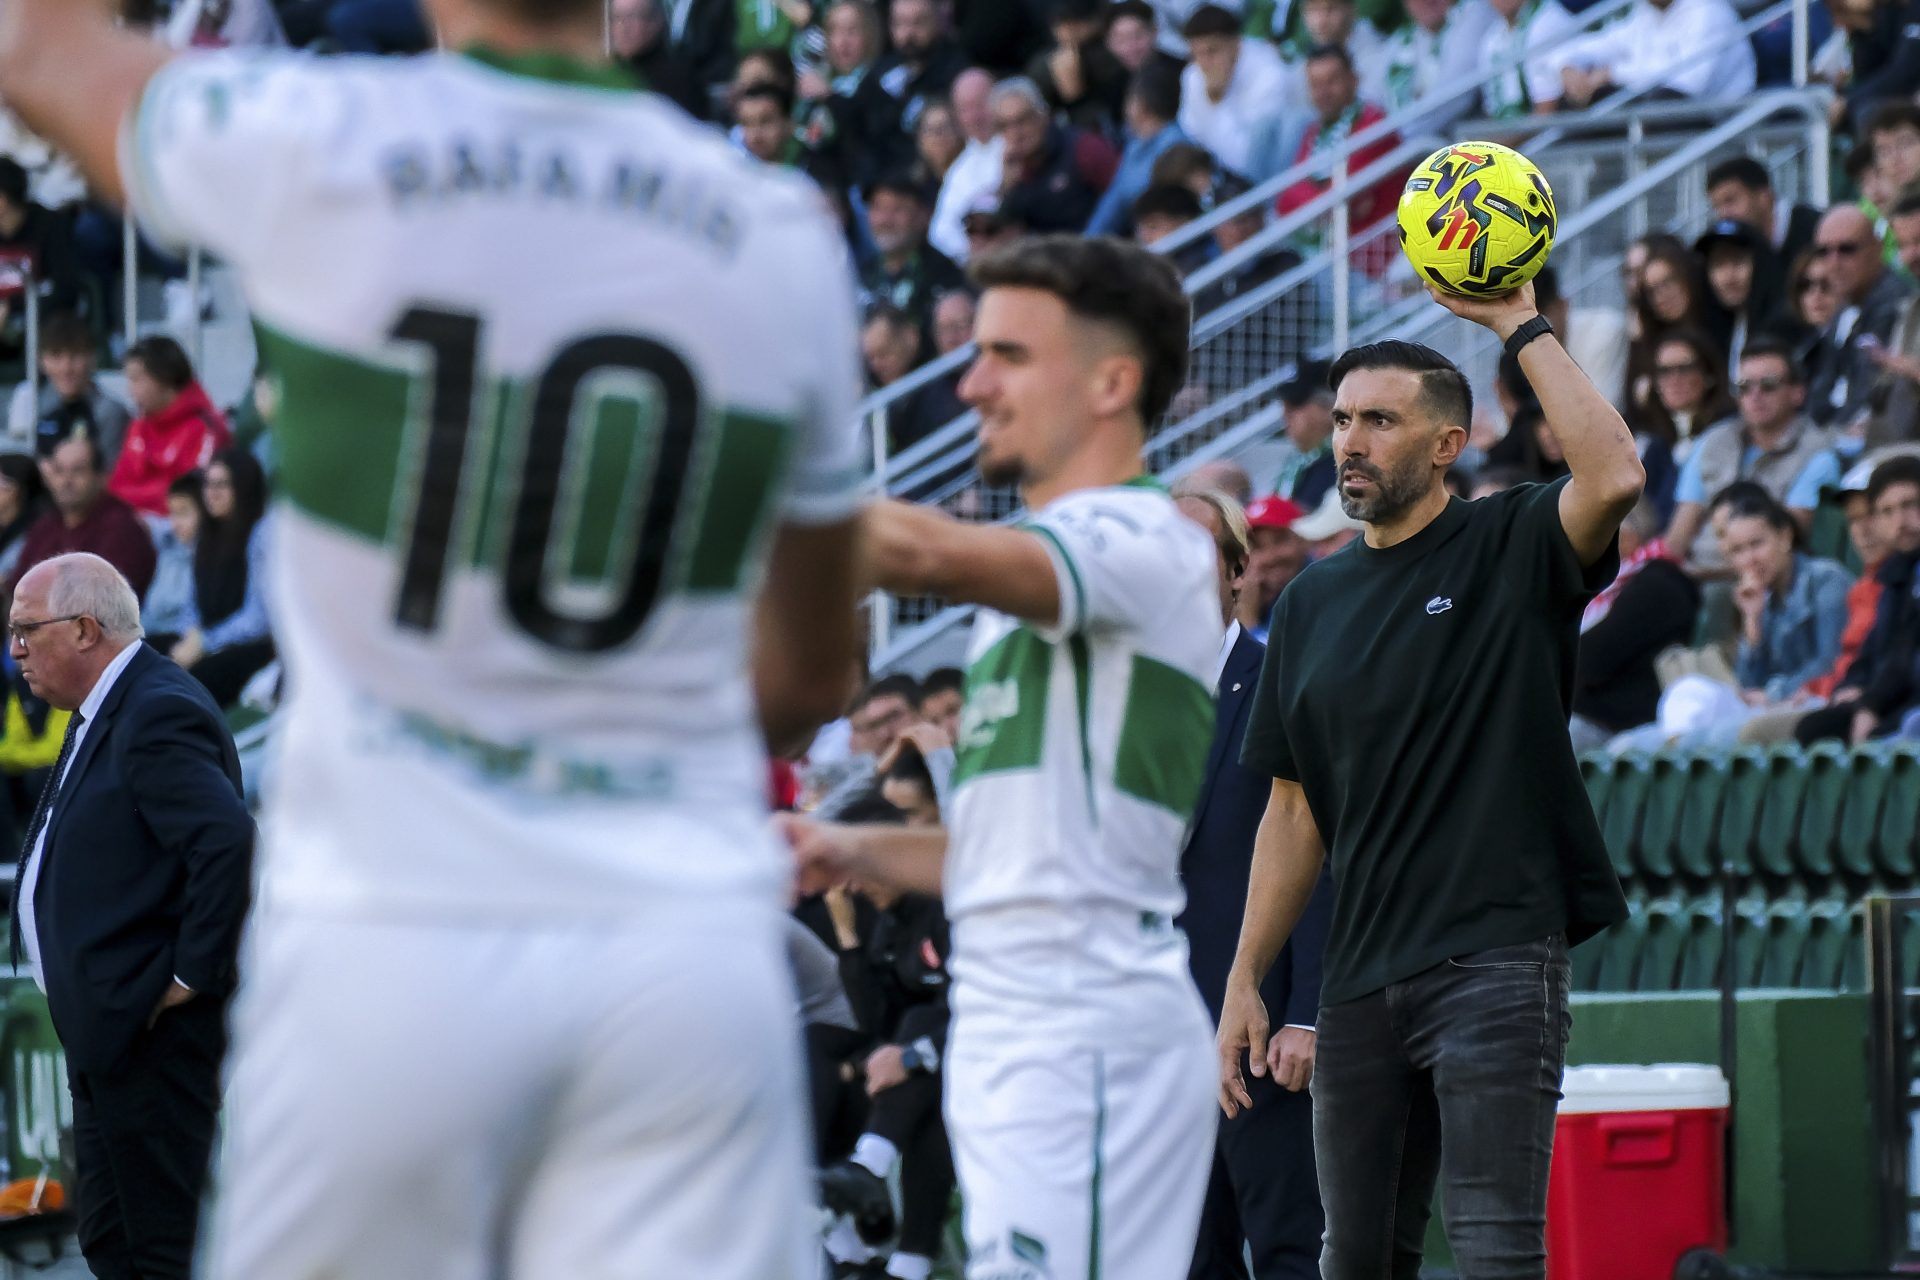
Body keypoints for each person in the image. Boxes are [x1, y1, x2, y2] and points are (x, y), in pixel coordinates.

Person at [0, 0, 872, 1275]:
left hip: (395, 944)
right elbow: (806, 678)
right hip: (667, 941)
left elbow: (37, 46)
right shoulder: (777, 230)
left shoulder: (324, 138)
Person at [786, 236, 1221, 1280]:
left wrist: (732, 487)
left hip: (1083, 1020)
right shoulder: (1025, 600)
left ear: (1113, 384)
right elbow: (1000, 849)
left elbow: (923, 550)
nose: (970, 384)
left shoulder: (1143, 539)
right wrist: (840, 845)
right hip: (1013, 1018)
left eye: (1008, 356)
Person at [1219, 281, 1644, 1276]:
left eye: (1380, 420)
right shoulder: (1310, 599)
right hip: (1359, 973)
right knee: (1354, 1257)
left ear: (1449, 443)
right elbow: (1293, 808)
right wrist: (1247, 974)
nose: (1351, 441)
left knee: (1496, 1249)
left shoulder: (1510, 540)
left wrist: (1515, 325)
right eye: (1342, 419)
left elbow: (1616, 474)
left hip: (1496, 957)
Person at [6, 552, 253, 1279]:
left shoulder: (154, 710)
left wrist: (191, 975)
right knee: (113, 1244)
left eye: (27, 630)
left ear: (85, 629)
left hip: (151, 1036)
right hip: (112, 1032)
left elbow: (228, 843)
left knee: (154, 1251)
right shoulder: (112, 706)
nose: (14, 650)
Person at [1173, 486, 1331, 1280]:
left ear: (1240, 572)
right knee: (1187, 1260)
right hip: (1162, 1041)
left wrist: (1308, 1013)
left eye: (1192, 551)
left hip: (1265, 1033)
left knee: (1289, 1250)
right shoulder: (1119, 708)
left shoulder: (1283, 680)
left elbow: (1321, 851)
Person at [1664, 339, 1835, 572]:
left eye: (1768, 385)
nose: (1755, 395)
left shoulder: (1817, 455)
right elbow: (1678, 537)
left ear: (1797, 393)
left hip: (1755, 579)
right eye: (1745, 387)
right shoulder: (1713, 440)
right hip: (1691, 575)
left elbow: (1787, 545)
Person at [1794, 455, 1920, 743]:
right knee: (1815, 729)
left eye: (1910, 505)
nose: (1900, 521)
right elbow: (1872, 651)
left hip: (1904, 701)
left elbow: (1906, 654)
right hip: (1886, 697)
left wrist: (1870, 704)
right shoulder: (1893, 577)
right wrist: (1852, 688)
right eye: (1887, 512)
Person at [1569, 496, 1699, 749]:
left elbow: (1589, 659)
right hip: (1588, 713)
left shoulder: (1659, 583)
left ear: (1626, 537)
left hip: (1621, 722)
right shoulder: (1603, 587)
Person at [171, 447, 273, 706]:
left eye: (222, 485)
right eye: (208, 485)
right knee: (144, 655)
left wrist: (204, 642)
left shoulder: (261, 534)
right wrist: (190, 636)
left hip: (253, 647)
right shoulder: (207, 536)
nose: (211, 493)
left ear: (243, 487)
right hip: (207, 639)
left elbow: (258, 620)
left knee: (193, 681)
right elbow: (192, 605)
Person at [1804, 203, 1914, 428]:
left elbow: (1868, 399)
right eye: (1823, 252)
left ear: (1877, 249)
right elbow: (1821, 392)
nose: (1834, 263)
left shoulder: (1895, 303)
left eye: (1847, 249)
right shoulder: (1845, 307)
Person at [9, 435, 156, 602]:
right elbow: (19, 586)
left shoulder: (122, 528)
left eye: (78, 471)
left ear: (101, 477)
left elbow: (106, 602)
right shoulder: (45, 525)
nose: (66, 480)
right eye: (59, 471)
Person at [106, 336, 231, 519]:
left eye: (136, 379)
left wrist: (137, 495)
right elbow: (115, 487)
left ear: (164, 377)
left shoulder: (205, 429)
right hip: (134, 522)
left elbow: (191, 497)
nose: (129, 391)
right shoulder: (139, 426)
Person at [1551, 0, 1755, 106]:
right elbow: (1603, 44)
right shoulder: (1646, 13)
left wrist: (1612, 74)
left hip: (1722, 117)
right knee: (1577, 99)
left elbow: (1687, 83)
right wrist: (1568, 66)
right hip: (1664, 112)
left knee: (1663, 101)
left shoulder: (1709, 12)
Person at [1177, 4, 1295, 181]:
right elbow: (1190, 137)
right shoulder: (1193, 74)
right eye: (1196, 53)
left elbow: (1248, 161)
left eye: (1212, 51)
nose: (1204, 62)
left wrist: (1218, 100)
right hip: (1214, 177)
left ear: (1236, 44)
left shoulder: (1270, 74)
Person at [992, 75, 1117, 234]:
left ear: (1043, 115)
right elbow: (1003, 234)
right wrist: (1008, 189)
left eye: (1022, 121)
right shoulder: (1015, 171)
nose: (1015, 133)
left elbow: (1123, 200)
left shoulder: (1084, 149)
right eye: (1004, 126)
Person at [4, 311, 131, 461]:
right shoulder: (31, 401)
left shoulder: (110, 412)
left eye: (75, 356)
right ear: (41, 360)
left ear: (92, 358)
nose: (66, 368)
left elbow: (111, 472)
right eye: (56, 356)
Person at [1086, 61, 1189, 237]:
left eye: (1129, 98)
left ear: (1139, 105)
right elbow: (1113, 202)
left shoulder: (1176, 144)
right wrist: (1086, 245)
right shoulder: (1134, 145)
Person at [859, 172, 968, 336]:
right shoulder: (861, 272)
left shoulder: (944, 274)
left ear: (923, 215)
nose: (885, 220)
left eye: (897, 209)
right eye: (878, 208)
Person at [928, 67, 1001, 260]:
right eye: (965, 109)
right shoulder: (960, 170)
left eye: (980, 104)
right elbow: (940, 233)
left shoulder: (1017, 145)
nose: (974, 117)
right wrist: (972, 248)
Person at [1025, 0, 1131, 132]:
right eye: (1062, 25)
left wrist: (1076, 94)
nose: (1069, 31)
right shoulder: (1045, 62)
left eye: (1075, 24)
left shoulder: (1111, 49)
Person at [1706, 155, 1822, 268]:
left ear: (1764, 197)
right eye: (1716, 207)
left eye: (1730, 200)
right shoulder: (1741, 249)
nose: (1723, 215)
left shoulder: (1818, 232)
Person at [608, 0, 707, 119]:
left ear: (656, 22)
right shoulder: (609, 71)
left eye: (632, 17)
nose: (623, 28)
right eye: (616, 18)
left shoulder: (676, 77)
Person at [1478, 0, 1577, 116]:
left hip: (1560, 120)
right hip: (1513, 123)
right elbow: (1492, 107)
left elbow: (1546, 111)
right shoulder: (1491, 38)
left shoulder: (1548, 19)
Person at [1239, 495, 1309, 638]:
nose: (1269, 557)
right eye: (1256, 546)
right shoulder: (1259, 594)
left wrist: (1248, 623)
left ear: (1305, 540)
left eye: (1280, 540)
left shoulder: (1319, 589)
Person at [1275, 361, 1337, 509]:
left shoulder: (1346, 460)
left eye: (1296, 404)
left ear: (1331, 407)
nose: (1285, 414)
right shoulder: (1296, 464)